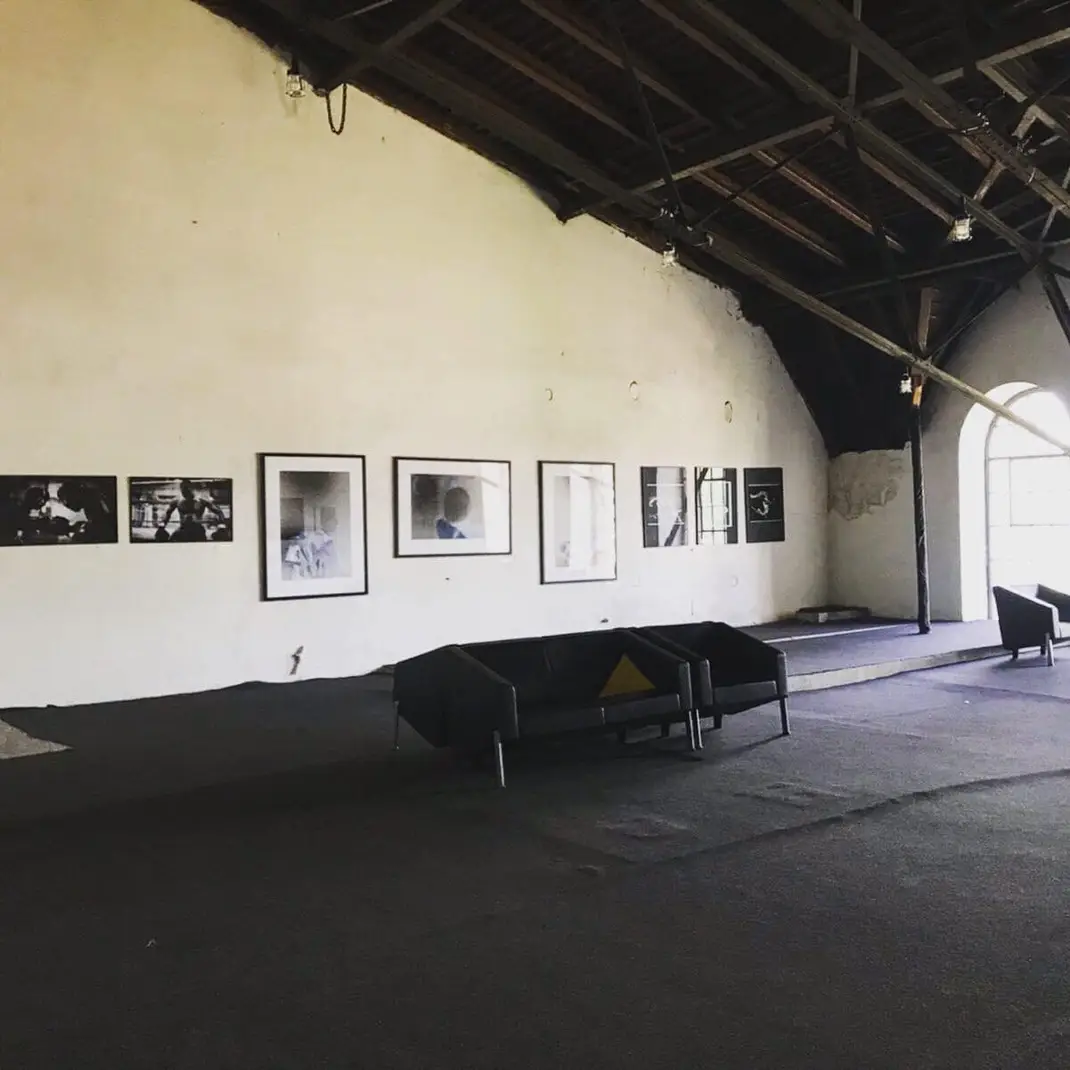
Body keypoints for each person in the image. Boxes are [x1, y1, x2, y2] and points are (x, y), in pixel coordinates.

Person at [159, 480, 225, 542]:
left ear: (192, 489)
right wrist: (162, 525)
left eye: (187, 490)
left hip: (198, 530)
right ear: (181, 490)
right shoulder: (177, 501)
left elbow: (219, 512)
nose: (184, 493)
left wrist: (221, 525)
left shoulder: (202, 501)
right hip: (183, 529)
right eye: (183, 491)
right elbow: (168, 513)